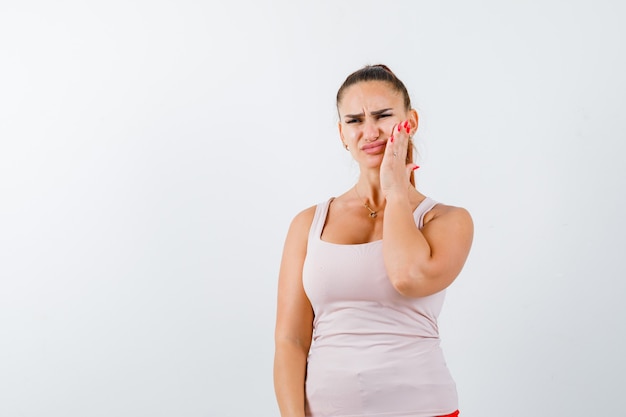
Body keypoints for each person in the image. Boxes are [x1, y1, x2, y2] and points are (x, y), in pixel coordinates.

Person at [273, 64, 474, 417]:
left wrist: (396, 189)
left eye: (383, 116)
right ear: (340, 133)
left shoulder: (446, 220)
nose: (370, 131)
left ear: (410, 122)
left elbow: (408, 276)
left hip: (423, 409)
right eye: (354, 121)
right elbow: (291, 340)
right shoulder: (308, 223)